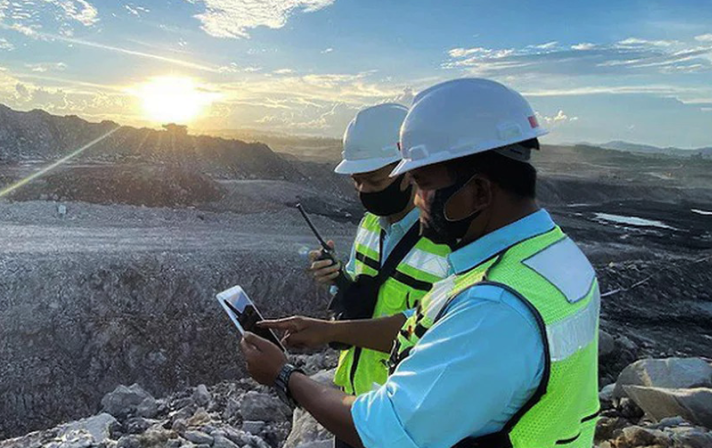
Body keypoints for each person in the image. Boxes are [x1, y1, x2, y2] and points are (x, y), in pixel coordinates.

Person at [242, 78, 601, 448]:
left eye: (422, 184)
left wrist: (284, 376)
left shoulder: (494, 307)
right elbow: (421, 326)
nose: (417, 201)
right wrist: (333, 319)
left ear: (479, 191)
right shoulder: (551, 256)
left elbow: (381, 431)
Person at [309, 104, 450, 405]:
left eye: (374, 181)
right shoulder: (370, 224)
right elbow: (365, 290)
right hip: (357, 397)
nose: (363, 190)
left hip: (407, 410)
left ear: (410, 171)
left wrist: (327, 332)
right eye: (356, 181)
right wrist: (337, 280)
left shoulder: (449, 242)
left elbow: (434, 333)